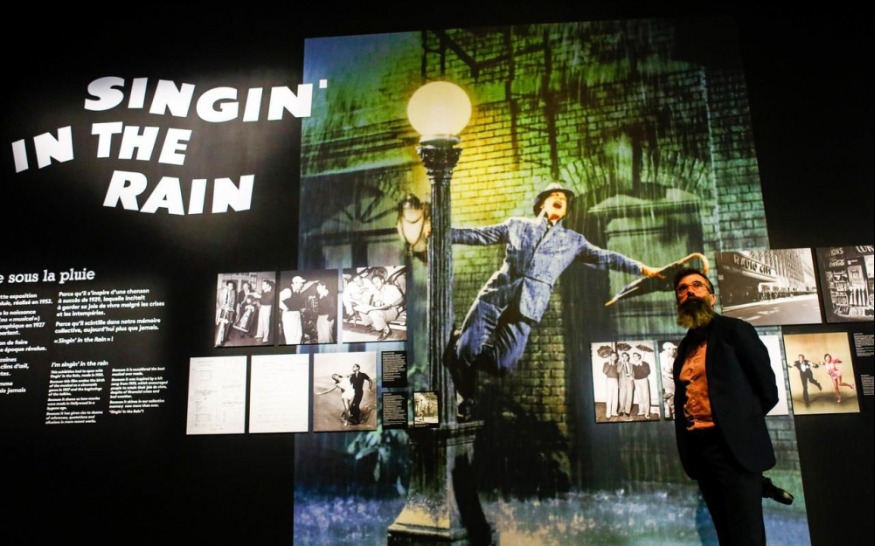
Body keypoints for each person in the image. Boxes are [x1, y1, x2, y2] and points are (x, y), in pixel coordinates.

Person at [444, 181, 663, 420]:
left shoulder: (573, 241)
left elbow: (607, 257)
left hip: (527, 308)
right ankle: (466, 396)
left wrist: (643, 269)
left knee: (501, 365)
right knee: (466, 351)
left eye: (564, 198)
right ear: (541, 204)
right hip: (494, 298)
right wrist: (444, 233)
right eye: (554, 195)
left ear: (566, 209)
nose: (560, 198)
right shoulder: (517, 226)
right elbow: (480, 235)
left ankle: (460, 340)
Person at [671, 267, 779, 545]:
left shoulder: (736, 331)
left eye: (697, 285)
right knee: (725, 534)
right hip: (702, 453)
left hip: (735, 451)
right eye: (682, 289)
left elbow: (767, 391)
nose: (689, 291)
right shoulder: (684, 349)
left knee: (747, 536)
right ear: (678, 302)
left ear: (711, 297)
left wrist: (739, 428)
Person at [355, 273, 404, 341]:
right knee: (362, 311)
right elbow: (375, 303)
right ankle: (373, 326)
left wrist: (391, 304)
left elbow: (402, 299)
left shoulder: (391, 288)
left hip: (392, 311)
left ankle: (386, 331)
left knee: (374, 313)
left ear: (382, 280)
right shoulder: (376, 292)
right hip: (382, 310)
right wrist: (370, 307)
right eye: (374, 283)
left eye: (377, 282)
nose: (376, 284)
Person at [279, 275, 314, 345]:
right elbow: (277, 299)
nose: (302, 285)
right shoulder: (288, 291)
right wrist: (285, 308)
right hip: (289, 315)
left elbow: (305, 286)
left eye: (302, 283)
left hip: (296, 314)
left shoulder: (297, 291)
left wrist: (312, 282)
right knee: (291, 336)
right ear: (295, 283)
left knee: (298, 335)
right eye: (300, 283)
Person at [631, 352, 654, 419]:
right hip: (636, 381)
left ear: (639, 356)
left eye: (636, 356)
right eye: (634, 356)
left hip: (644, 380)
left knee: (646, 397)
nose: (635, 357)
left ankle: (647, 413)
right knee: (639, 397)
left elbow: (647, 372)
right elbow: (633, 373)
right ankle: (641, 411)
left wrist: (641, 365)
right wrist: (632, 377)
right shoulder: (633, 365)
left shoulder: (645, 363)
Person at [215, 280, 237, 346]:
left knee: (228, 325)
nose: (231, 287)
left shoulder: (233, 292)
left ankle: (224, 339)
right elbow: (216, 300)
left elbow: (233, 302)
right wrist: (219, 307)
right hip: (221, 310)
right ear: (226, 286)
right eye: (230, 286)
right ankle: (217, 339)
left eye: (232, 286)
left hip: (229, 310)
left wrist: (231, 308)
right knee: (219, 325)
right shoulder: (219, 291)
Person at [659, 342, 677, 419]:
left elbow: (674, 370)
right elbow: (661, 371)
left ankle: (674, 414)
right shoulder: (660, 357)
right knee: (667, 397)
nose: (674, 351)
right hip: (663, 381)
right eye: (673, 349)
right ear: (667, 349)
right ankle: (667, 414)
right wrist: (671, 376)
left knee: (673, 397)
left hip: (671, 381)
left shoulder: (672, 359)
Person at [254, 279, 274, 344]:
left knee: (266, 322)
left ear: (268, 285)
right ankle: (259, 334)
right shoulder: (263, 291)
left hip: (267, 307)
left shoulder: (272, 291)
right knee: (260, 321)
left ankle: (266, 337)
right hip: (262, 307)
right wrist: (258, 302)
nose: (262, 285)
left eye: (263, 284)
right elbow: (261, 299)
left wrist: (259, 296)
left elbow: (268, 300)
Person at [602, 350, 620, 421]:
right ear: (610, 356)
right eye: (612, 356)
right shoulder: (606, 363)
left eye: (615, 356)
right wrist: (609, 364)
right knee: (609, 397)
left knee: (616, 397)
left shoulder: (617, 364)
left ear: (616, 357)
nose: (613, 357)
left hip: (616, 381)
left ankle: (614, 412)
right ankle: (608, 414)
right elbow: (604, 372)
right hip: (609, 380)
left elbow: (618, 373)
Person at [617, 351, 635, 418]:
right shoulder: (619, 363)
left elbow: (633, 373)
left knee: (629, 396)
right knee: (622, 397)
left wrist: (632, 377)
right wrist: (622, 363)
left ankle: (627, 411)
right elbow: (618, 371)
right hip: (622, 382)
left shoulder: (631, 364)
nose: (624, 357)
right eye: (623, 356)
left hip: (630, 382)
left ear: (628, 357)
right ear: (622, 357)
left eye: (626, 356)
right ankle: (621, 410)